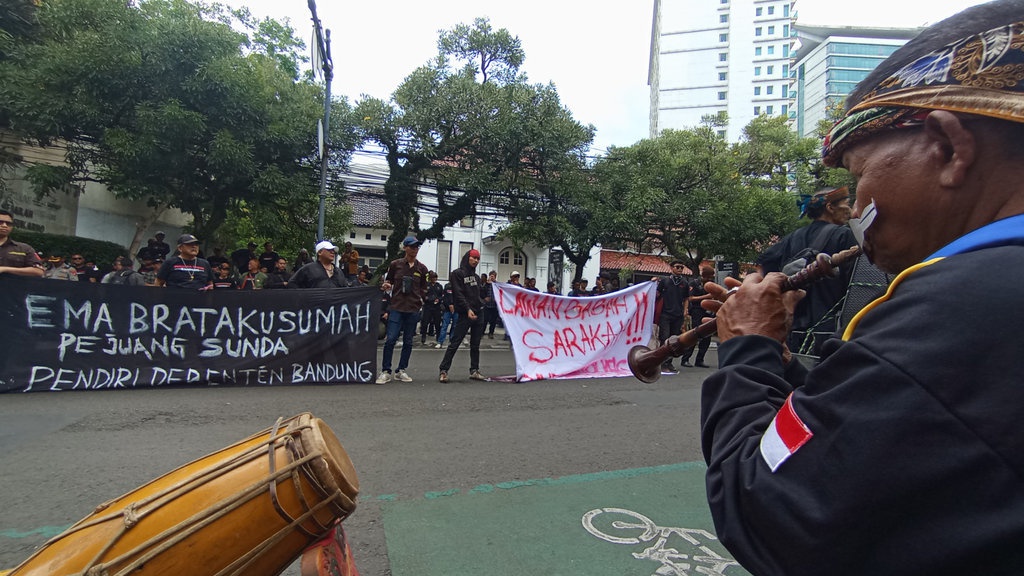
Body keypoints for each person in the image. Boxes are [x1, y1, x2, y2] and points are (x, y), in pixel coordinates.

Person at [699, 3, 1024, 574]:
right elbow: (904, 423)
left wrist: (747, 350)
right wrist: (783, 362)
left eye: (858, 178)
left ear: (948, 148)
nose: (857, 210)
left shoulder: (965, 304)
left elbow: (765, 505)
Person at [757, 186, 857, 356]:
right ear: (830, 207)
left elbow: (764, 263)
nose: (850, 209)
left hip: (791, 326)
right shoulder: (844, 235)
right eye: (847, 203)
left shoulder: (793, 237)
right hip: (829, 328)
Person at [376, 236, 429, 384]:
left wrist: (421, 299)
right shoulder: (395, 265)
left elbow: (424, 287)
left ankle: (401, 370)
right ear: (405, 248)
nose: (414, 250)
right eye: (412, 247)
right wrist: (386, 285)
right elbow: (389, 281)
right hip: (397, 307)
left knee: (408, 341)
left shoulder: (422, 268)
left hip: (413, 308)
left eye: (417, 247)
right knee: (391, 339)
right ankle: (386, 371)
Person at [438, 249, 486, 382]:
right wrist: (467, 309)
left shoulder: (476, 277)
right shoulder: (457, 274)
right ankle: (443, 370)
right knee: (455, 342)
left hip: (479, 312)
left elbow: (479, 295)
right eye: (473, 258)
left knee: (475, 344)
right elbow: (458, 294)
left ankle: (474, 370)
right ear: (467, 258)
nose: (476, 261)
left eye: (478, 259)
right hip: (465, 314)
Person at [655, 260, 690, 374]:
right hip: (665, 314)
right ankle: (661, 362)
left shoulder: (684, 282)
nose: (680, 269)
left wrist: (685, 310)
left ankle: (669, 363)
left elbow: (686, 299)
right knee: (664, 337)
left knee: (674, 340)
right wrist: (652, 283)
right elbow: (656, 294)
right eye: (677, 267)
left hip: (678, 314)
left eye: (682, 267)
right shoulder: (664, 281)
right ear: (671, 268)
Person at [680, 266, 715, 368]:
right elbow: (690, 298)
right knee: (695, 334)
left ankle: (700, 360)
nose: (710, 279)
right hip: (696, 310)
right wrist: (706, 297)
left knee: (707, 336)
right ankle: (685, 359)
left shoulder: (711, 284)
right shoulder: (694, 283)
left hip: (708, 311)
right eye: (709, 276)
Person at [0, 210, 44, 278]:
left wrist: (4, 269)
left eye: (8, 223)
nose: (4, 225)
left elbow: (38, 271)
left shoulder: (24, 249)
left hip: (13, 287)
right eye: (0, 222)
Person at [420, 271, 444, 346]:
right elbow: (423, 295)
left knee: (437, 322)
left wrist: (439, 299)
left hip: (436, 307)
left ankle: (438, 337)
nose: (434, 279)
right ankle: (423, 337)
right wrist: (427, 299)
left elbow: (441, 295)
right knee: (425, 322)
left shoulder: (439, 286)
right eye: (432, 277)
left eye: (435, 277)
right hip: (428, 306)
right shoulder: (427, 285)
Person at [438, 281, 457, 349]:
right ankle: (440, 342)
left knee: (455, 326)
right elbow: (445, 297)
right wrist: (449, 305)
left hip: (456, 309)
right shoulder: (447, 286)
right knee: (444, 325)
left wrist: (455, 306)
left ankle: (451, 340)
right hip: (447, 310)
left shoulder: (459, 286)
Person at [482, 270, 499, 339]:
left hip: (494, 305)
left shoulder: (497, 284)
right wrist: (484, 297)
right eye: (491, 276)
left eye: (493, 276)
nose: (491, 277)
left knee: (493, 321)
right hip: (487, 305)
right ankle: (482, 332)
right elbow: (482, 291)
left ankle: (491, 333)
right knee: (485, 320)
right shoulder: (486, 284)